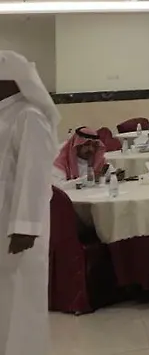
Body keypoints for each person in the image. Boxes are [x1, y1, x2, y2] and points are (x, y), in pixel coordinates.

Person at [0, 50, 59, 355]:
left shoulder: (29, 115)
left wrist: (26, 226)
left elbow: (34, 174)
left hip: (17, 229)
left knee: (19, 300)